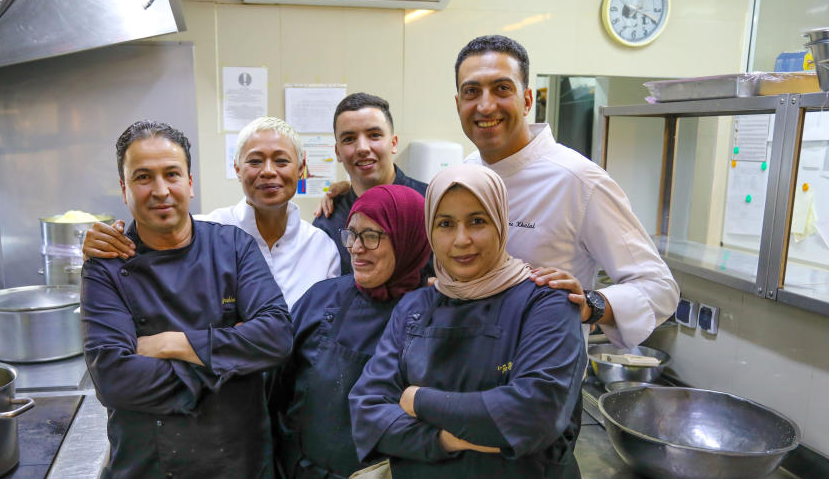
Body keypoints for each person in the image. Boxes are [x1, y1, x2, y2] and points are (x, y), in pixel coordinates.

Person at [349, 163, 588, 479]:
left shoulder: (546, 304)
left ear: (500, 221)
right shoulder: (416, 308)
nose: (461, 240)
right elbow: (366, 409)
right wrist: (444, 438)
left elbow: (532, 413)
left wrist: (415, 399)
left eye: (477, 221)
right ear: (429, 232)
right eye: (446, 223)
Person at [81, 120, 293, 479]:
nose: (160, 190)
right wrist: (224, 365)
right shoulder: (107, 267)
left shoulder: (233, 248)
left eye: (172, 174)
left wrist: (177, 343)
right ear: (123, 187)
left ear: (191, 181)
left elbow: (277, 336)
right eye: (143, 177)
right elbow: (115, 378)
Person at [267, 184, 431, 479]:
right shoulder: (323, 298)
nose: (357, 248)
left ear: (411, 237)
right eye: (352, 234)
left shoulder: (436, 315)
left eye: (373, 236)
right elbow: (277, 391)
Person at [454, 34, 679, 348]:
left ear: (527, 100)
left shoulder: (579, 181)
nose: (486, 104)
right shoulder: (464, 172)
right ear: (458, 103)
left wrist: (589, 304)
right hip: (466, 374)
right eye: (472, 91)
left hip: (544, 380)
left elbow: (659, 288)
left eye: (502, 88)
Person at [83, 116, 340, 308]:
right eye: (255, 161)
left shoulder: (321, 248)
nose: (269, 171)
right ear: (237, 168)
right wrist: (99, 249)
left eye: (281, 161)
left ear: (301, 169)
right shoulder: (202, 233)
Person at [313, 93, 427, 274]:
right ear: (337, 152)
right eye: (349, 139)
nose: (363, 148)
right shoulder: (328, 221)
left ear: (393, 143)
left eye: (374, 135)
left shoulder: (431, 205)